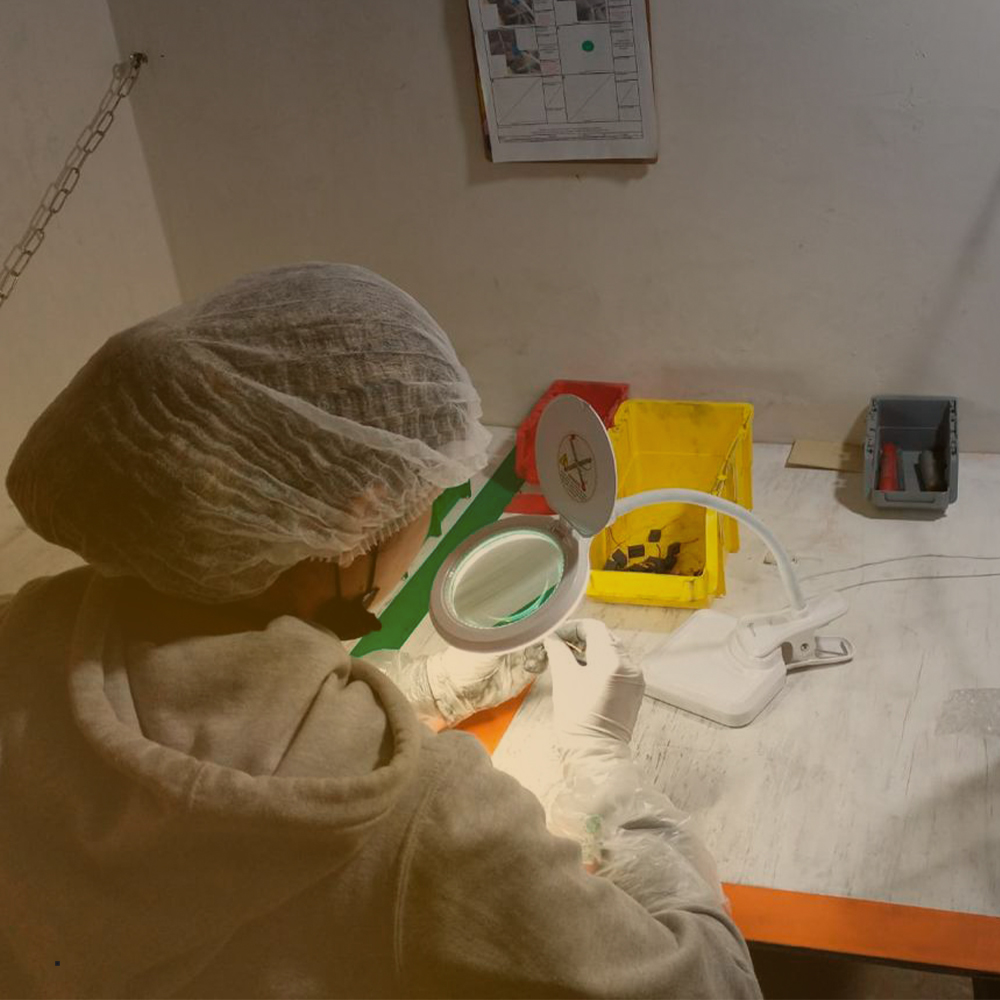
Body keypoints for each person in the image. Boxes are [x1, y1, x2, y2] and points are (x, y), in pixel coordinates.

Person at [0, 263, 759, 998]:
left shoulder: (20, 629)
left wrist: (414, 686)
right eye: (425, 488)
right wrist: (607, 778)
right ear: (359, 514)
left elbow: (204, 724)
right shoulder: (424, 816)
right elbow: (710, 987)